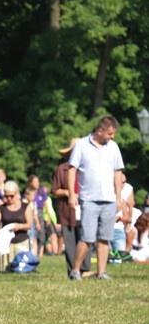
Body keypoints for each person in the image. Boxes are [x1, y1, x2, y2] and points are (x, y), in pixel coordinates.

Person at [68, 116, 125, 281]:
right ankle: (75, 271)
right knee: (87, 237)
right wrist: (72, 194)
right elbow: (72, 170)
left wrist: (118, 197)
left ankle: (101, 272)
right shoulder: (81, 146)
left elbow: (117, 172)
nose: (112, 137)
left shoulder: (113, 147)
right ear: (100, 131)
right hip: (89, 198)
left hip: (109, 199)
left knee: (105, 237)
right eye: (109, 133)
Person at [51, 138, 92, 277]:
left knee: (86, 237)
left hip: (86, 207)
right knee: (70, 241)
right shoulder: (62, 168)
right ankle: (72, 270)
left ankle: (85, 269)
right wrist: (69, 192)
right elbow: (55, 190)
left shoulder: (88, 167)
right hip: (67, 210)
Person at [0, 181, 34, 260]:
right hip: (6, 244)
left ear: (17, 194)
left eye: (11, 196)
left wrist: (19, 226)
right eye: (6, 196)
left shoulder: (25, 207)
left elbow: (29, 225)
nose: (9, 198)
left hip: (22, 242)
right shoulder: (1, 208)